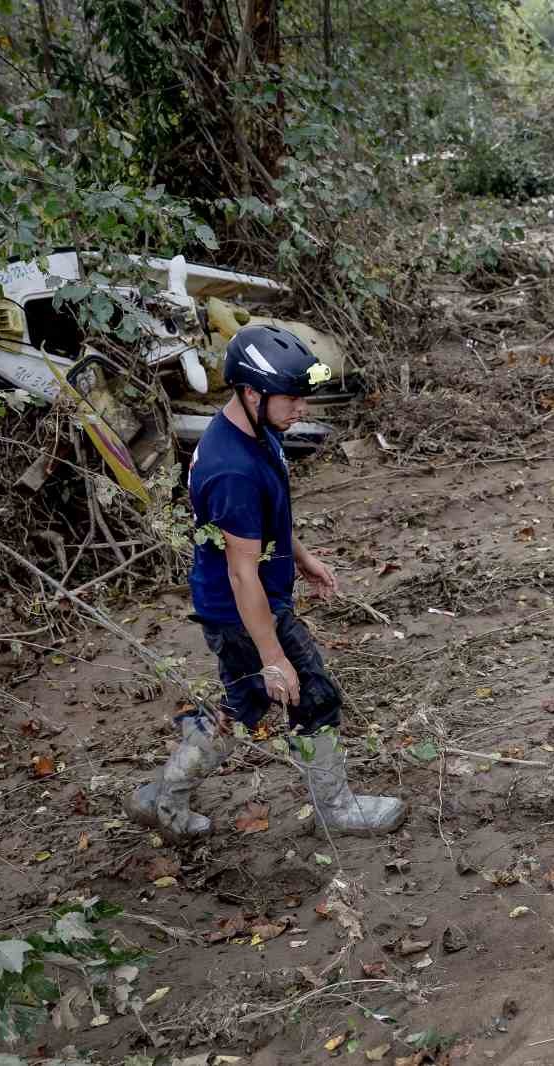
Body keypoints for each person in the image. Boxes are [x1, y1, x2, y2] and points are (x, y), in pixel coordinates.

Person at [127, 324, 407, 840]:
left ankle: (164, 799)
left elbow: (264, 521)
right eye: (292, 398)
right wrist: (273, 656)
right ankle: (337, 809)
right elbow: (240, 570)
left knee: (242, 705)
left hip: (249, 596)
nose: (301, 408)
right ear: (252, 393)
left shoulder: (257, 432)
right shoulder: (232, 469)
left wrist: (302, 558)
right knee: (312, 694)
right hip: (242, 607)